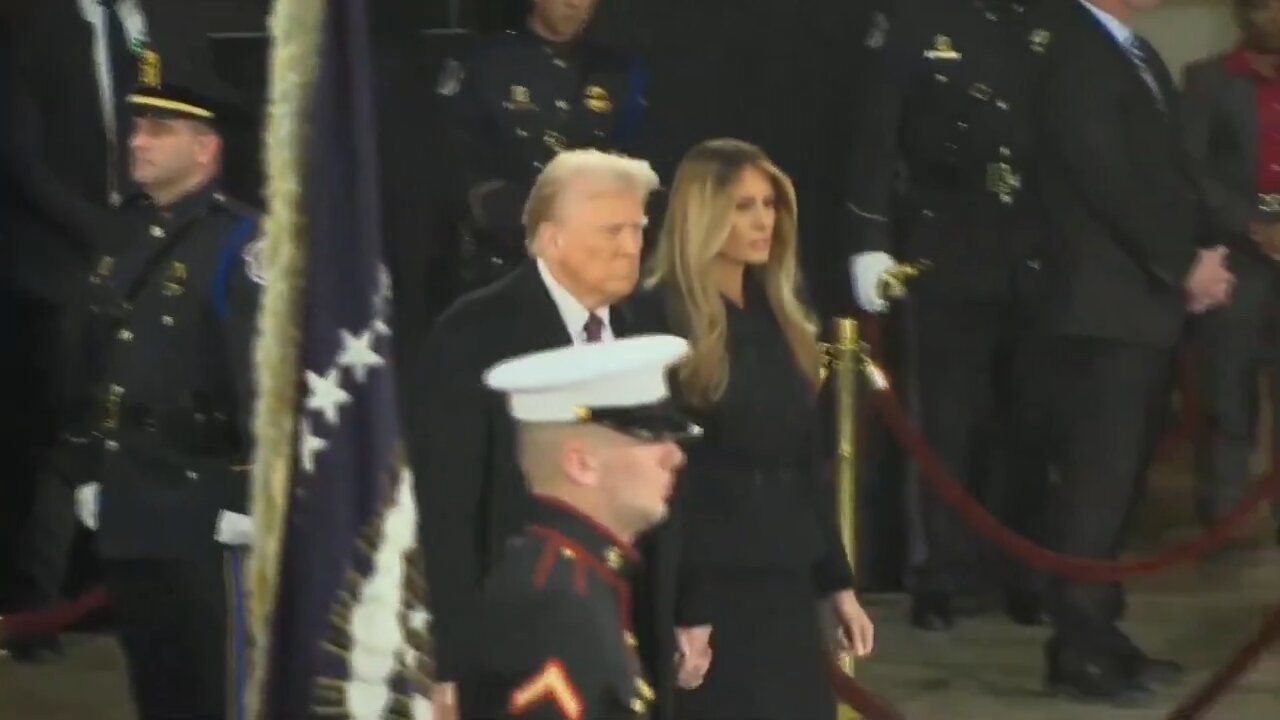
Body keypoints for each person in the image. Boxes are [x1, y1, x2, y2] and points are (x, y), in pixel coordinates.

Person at [409, 149, 682, 717]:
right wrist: (451, 662)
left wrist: (680, 612)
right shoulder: (474, 331)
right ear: (552, 239)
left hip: (627, 623)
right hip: (520, 633)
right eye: (612, 230)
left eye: (637, 229)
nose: (631, 246)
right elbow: (448, 508)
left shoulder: (643, 324)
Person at [1036, 0, 1235, 703]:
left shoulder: (1135, 52)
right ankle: (1078, 648)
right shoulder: (1074, 48)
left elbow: (1169, 169)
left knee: (1119, 489)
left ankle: (1102, 630)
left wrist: (1212, 246)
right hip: (1101, 307)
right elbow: (1106, 178)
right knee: (1095, 485)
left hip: (1141, 305)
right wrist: (1180, 263)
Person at [633, 139, 873, 720]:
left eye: (769, 204)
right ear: (703, 213)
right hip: (712, 588)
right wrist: (688, 607)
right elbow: (670, 481)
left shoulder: (777, 314)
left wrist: (835, 583)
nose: (763, 220)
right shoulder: (658, 317)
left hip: (784, 580)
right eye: (743, 206)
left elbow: (802, 461)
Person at [844, 0, 1054, 632]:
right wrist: (870, 236)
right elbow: (877, 131)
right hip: (947, 239)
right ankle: (940, 574)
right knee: (947, 422)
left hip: (1037, 245)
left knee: (1028, 420)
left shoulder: (1048, 23)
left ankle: (1024, 570)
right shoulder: (916, 22)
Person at [74, 41, 260, 719]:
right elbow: (103, 355)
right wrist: (94, 464)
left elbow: (261, 381)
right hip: (131, 496)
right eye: (137, 126)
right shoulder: (128, 231)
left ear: (206, 148)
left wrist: (250, 491)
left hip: (198, 505)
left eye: (160, 129)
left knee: (205, 686)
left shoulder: (240, 245)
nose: (139, 142)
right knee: (152, 680)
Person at [1, 0, 150, 655]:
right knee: (58, 441)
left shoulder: (142, 27)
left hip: (144, 260)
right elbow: (21, 157)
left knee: (139, 426)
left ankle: (125, 595)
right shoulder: (36, 28)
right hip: (57, 266)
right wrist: (99, 232)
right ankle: (36, 607)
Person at [455, 334, 699, 719]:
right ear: (582, 464)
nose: (675, 456)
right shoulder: (554, 602)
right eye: (651, 436)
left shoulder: (576, 578)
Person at [436, 0, 647, 292]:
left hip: (596, 262)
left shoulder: (618, 71)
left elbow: (637, 160)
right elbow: (454, 165)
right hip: (505, 264)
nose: (574, 3)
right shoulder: (486, 64)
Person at [1183, 0, 1280, 545]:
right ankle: (1220, 524)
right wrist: (1253, 225)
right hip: (1234, 260)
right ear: (1247, 15)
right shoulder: (1208, 81)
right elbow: (1190, 169)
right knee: (1227, 397)